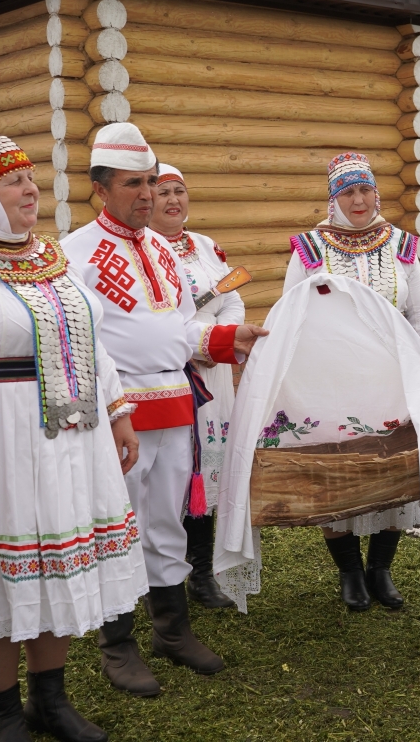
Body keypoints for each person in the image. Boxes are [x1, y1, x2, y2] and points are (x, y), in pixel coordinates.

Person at [0, 127, 149, 742]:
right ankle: (1, 714)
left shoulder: (51, 257)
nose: (30, 189)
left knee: (65, 562)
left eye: (30, 178)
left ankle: (52, 699)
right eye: (13, 180)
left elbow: (91, 341)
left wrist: (119, 409)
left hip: (75, 435)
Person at [62, 122, 267, 697]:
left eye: (152, 181)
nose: (148, 194)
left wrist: (229, 338)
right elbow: (79, 342)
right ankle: (117, 642)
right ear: (100, 188)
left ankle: (171, 630)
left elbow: (179, 328)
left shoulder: (162, 249)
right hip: (117, 412)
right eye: (134, 184)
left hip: (177, 403)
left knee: (166, 520)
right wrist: (112, 405)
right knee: (118, 521)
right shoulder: (74, 254)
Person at [282, 152, 420, 612]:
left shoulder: (401, 244)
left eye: (365, 189)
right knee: (338, 471)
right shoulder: (311, 248)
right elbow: (292, 315)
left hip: (393, 374)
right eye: (348, 191)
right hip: (333, 377)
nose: (359, 199)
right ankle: (349, 572)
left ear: (377, 192)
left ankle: (381, 568)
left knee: (394, 467)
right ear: (333, 198)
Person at [148, 162, 241, 609]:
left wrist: (219, 340)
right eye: (163, 191)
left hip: (213, 372)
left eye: (179, 191)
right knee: (167, 473)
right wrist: (189, 345)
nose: (172, 200)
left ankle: (201, 576)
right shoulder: (142, 250)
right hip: (166, 372)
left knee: (207, 473)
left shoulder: (205, 247)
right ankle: (154, 579)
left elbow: (232, 300)